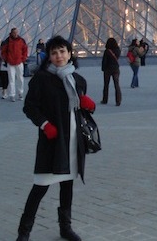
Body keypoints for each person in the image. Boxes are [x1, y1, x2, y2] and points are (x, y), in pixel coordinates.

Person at [15, 35, 96, 241]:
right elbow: (30, 107)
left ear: (70, 53)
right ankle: (24, 232)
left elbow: (82, 110)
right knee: (40, 187)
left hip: (72, 141)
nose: (58, 56)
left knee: (67, 185)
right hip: (52, 141)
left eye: (62, 51)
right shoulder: (41, 79)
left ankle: (65, 228)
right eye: (54, 52)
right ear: (48, 56)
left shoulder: (78, 80)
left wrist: (89, 105)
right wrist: (44, 124)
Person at [2, 27, 29, 102]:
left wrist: (23, 59)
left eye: (16, 32)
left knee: (20, 78)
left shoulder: (21, 40)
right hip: (10, 62)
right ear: (11, 33)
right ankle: (12, 94)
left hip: (19, 62)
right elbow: (3, 51)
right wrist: (6, 59)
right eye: (14, 33)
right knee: (11, 79)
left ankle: (20, 92)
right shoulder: (7, 41)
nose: (16, 34)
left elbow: (25, 50)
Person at [100, 37, 121, 106]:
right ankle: (118, 101)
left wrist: (103, 68)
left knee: (106, 85)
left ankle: (105, 100)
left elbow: (104, 61)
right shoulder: (118, 50)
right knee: (117, 85)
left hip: (108, 69)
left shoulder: (107, 51)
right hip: (116, 69)